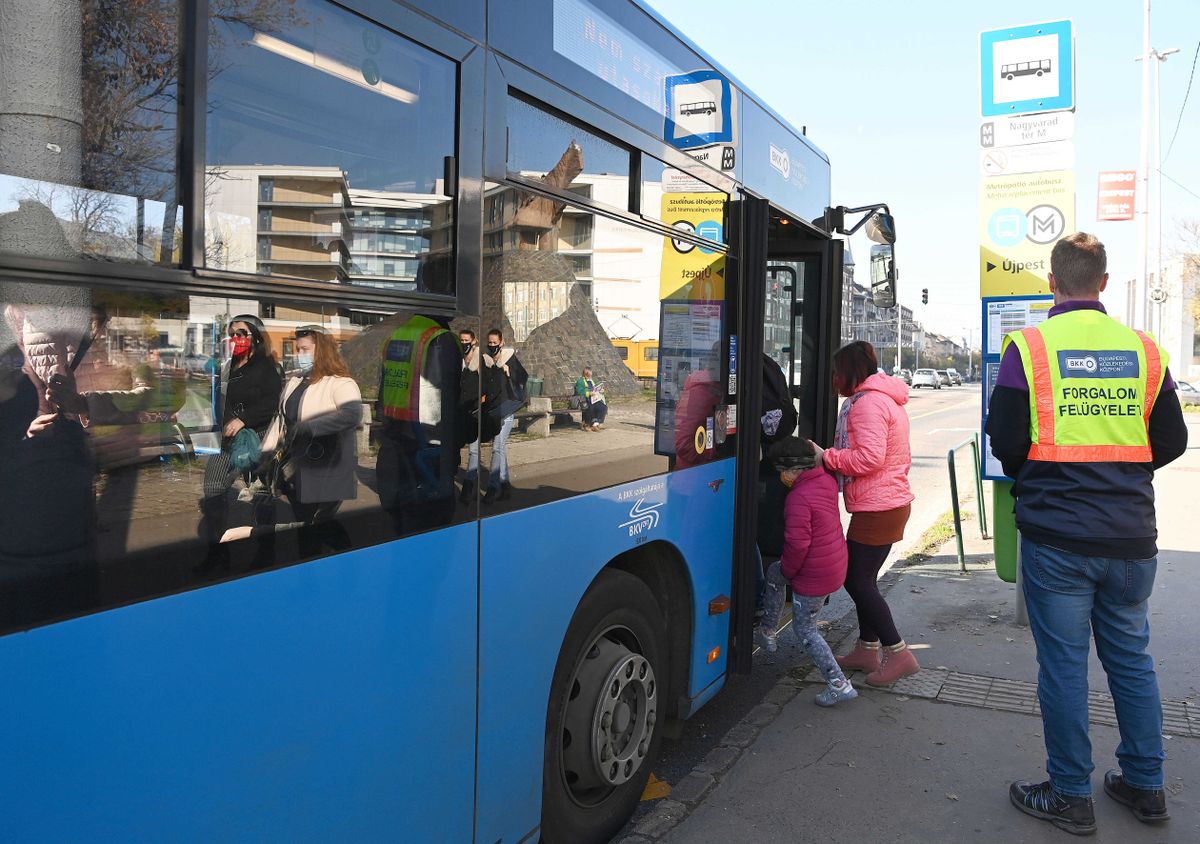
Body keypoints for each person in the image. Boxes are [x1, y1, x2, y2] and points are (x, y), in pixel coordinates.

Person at [986, 232, 1188, 834]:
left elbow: (1006, 440)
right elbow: (1172, 440)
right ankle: (1146, 785)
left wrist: (1044, 477)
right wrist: (1121, 472)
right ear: (1103, 282)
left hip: (1057, 538)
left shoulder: (1029, 347)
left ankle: (1071, 795)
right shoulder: (1145, 351)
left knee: (1065, 669)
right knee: (1131, 662)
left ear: (1052, 283)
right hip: (1131, 538)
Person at [811, 340, 918, 687]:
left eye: (836, 372)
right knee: (864, 580)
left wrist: (826, 457)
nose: (833, 379)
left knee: (856, 580)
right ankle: (867, 649)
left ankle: (898, 653)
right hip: (885, 503)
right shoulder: (881, 398)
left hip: (879, 507)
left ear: (850, 372)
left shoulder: (867, 404)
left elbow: (869, 458)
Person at [237, 325, 362, 557]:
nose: (299, 355)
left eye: (305, 349)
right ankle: (317, 563)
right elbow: (281, 421)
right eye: (297, 350)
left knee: (317, 523)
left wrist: (310, 427)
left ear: (321, 351)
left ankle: (343, 559)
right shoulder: (295, 382)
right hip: (294, 469)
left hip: (327, 467)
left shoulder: (341, 383)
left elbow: (352, 415)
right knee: (307, 523)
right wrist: (265, 455)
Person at [755, 437, 856, 707]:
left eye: (782, 471)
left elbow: (798, 545)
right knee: (774, 573)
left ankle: (839, 684)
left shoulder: (798, 498)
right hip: (832, 564)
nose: (781, 477)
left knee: (806, 631)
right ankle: (768, 630)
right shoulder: (824, 480)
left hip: (813, 574)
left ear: (794, 469)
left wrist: (790, 571)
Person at [197, 314, 282, 570]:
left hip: (257, 441)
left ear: (256, 336)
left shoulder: (267, 367)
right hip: (225, 441)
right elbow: (218, 398)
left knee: (261, 498)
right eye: (232, 334)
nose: (235, 338)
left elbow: (272, 402)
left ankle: (266, 553)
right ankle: (217, 555)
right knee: (213, 489)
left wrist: (243, 419)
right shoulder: (228, 367)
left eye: (241, 333)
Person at [469, 327, 526, 503]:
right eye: (490, 343)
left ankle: (493, 488)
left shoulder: (510, 359)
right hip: (492, 412)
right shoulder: (486, 362)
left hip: (506, 411)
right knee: (500, 449)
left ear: (502, 343)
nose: (492, 345)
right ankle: (505, 485)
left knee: (497, 447)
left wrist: (510, 373)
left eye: (495, 342)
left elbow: (523, 379)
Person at [574, 366, 607, 431]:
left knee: (603, 407)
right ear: (584, 374)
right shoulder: (580, 381)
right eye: (588, 375)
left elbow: (596, 389)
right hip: (584, 400)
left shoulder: (592, 380)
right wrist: (588, 393)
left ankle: (596, 423)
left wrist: (601, 391)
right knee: (590, 407)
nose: (589, 377)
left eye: (590, 375)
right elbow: (578, 391)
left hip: (594, 399)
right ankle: (587, 424)